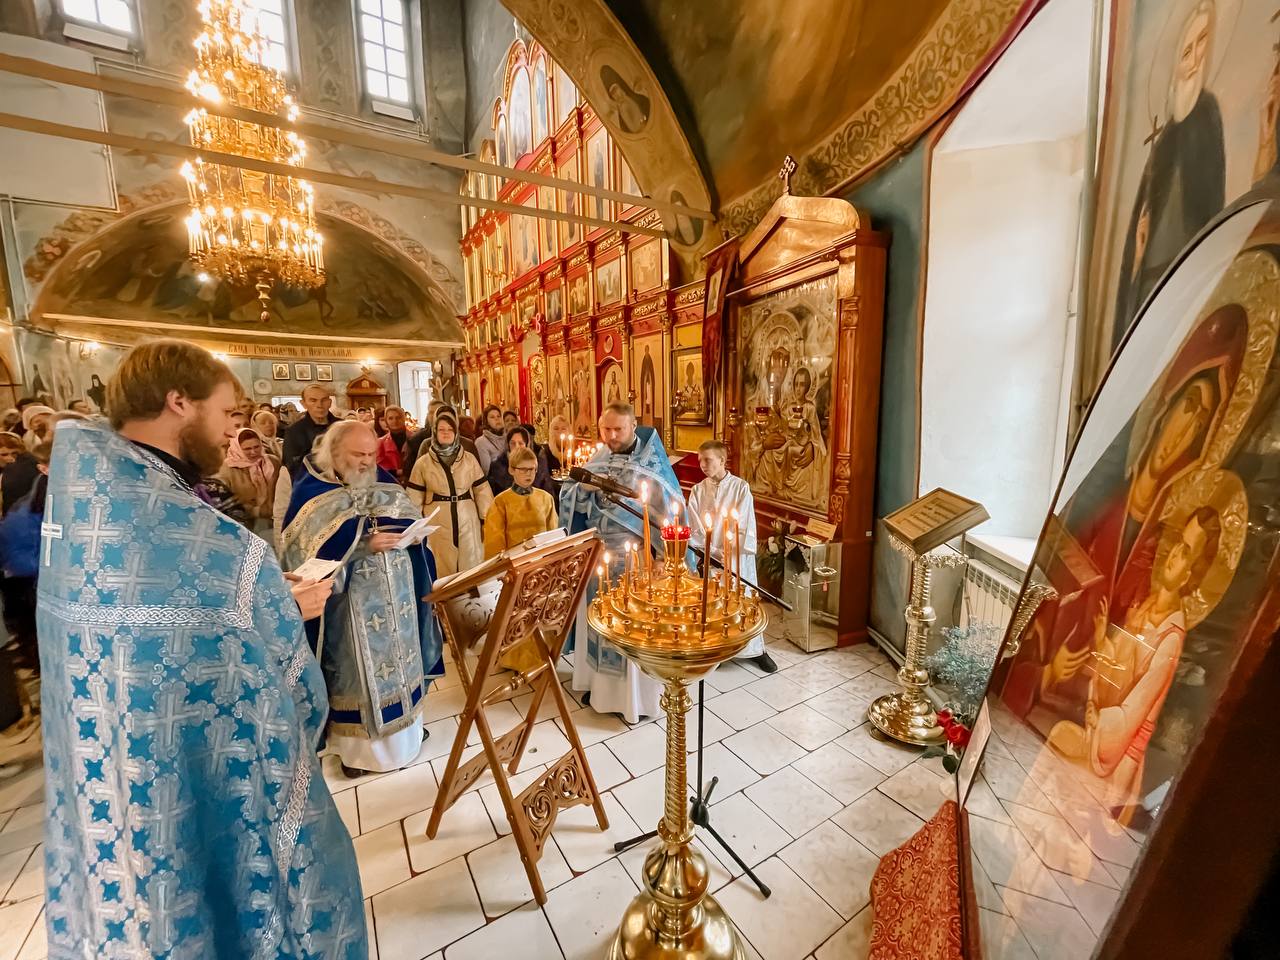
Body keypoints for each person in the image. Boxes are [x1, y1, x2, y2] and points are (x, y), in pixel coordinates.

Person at [37, 340, 365, 957]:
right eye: (225, 414)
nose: (232, 432)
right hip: (185, 781)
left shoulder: (85, 510)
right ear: (178, 401)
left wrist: (261, 599)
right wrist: (283, 606)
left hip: (105, 787)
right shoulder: (203, 538)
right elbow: (283, 685)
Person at [281, 420, 443, 775]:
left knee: (404, 661)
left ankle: (408, 734)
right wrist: (363, 545)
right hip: (350, 609)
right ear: (335, 453)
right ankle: (358, 753)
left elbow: (407, 517)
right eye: (358, 455)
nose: (368, 462)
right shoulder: (311, 491)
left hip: (398, 600)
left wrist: (414, 538)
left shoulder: (383, 480)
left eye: (371, 454)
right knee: (358, 676)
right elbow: (302, 557)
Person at [559, 403, 681, 720]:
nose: (611, 436)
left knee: (631, 626)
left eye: (619, 429)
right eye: (606, 429)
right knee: (599, 624)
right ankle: (599, 689)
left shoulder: (652, 464)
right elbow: (571, 498)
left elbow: (670, 514)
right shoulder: (599, 457)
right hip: (598, 556)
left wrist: (660, 557)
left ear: (633, 426)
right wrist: (581, 491)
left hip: (635, 558)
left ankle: (633, 701)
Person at [687, 440, 776, 672]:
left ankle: (755, 649)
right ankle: (714, 649)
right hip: (710, 555)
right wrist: (711, 552)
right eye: (700, 460)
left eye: (707, 460)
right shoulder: (698, 490)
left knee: (742, 598)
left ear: (722, 460)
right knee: (714, 601)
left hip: (736, 557)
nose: (702, 465)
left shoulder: (740, 488)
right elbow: (694, 525)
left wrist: (728, 551)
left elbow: (744, 523)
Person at [483, 447, 559, 673]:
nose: (529, 474)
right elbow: (494, 540)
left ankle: (540, 660)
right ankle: (512, 659)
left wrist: (552, 561)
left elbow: (553, 532)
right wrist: (502, 568)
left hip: (541, 569)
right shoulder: (501, 502)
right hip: (514, 569)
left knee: (539, 613)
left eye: (533, 470)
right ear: (512, 470)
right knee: (514, 615)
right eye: (523, 470)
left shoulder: (545, 498)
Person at [407, 411, 493, 576]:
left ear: (456, 433)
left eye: (449, 429)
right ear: (434, 432)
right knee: (441, 565)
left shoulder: (469, 460)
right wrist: (414, 527)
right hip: (437, 521)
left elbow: (482, 491)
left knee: (470, 562)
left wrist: (486, 521)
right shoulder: (423, 463)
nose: (446, 432)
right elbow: (414, 498)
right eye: (441, 429)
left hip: (467, 519)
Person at [217, 427, 280, 538]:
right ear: (237, 448)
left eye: (257, 447)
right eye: (247, 449)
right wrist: (257, 511)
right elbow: (226, 501)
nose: (253, 452)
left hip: (276, 516)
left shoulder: (272, 461)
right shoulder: (228, 468)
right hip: (245, 523)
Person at [282, 382, 340, 473]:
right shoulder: (294, 431)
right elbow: (291, 464)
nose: (319, 405)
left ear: (330, 402)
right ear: (303, 404)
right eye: (313, 400)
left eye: (324, 400)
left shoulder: (342, 426)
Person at [487, 425, 557, 496]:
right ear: (508, 445)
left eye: (520, 443)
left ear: (527, 445)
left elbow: (548, 490)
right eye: (513, 443)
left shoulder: (538, 464)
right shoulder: (497, 466)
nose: (517, 447)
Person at [376, 404, 410, 481]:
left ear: (404, 418)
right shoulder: (380, 442)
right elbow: (379, 468)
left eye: (398, 417)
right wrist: (398, 472)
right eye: (390, 418)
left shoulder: (415, 438)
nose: (395, 421)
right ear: (386, 420)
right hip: (390, 482)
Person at [474, 403, 506, 472]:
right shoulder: (481, 442)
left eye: (499, 416)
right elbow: (486, 470)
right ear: (487, 421)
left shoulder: (508, 438)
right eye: (492, 417)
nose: (497, 419)